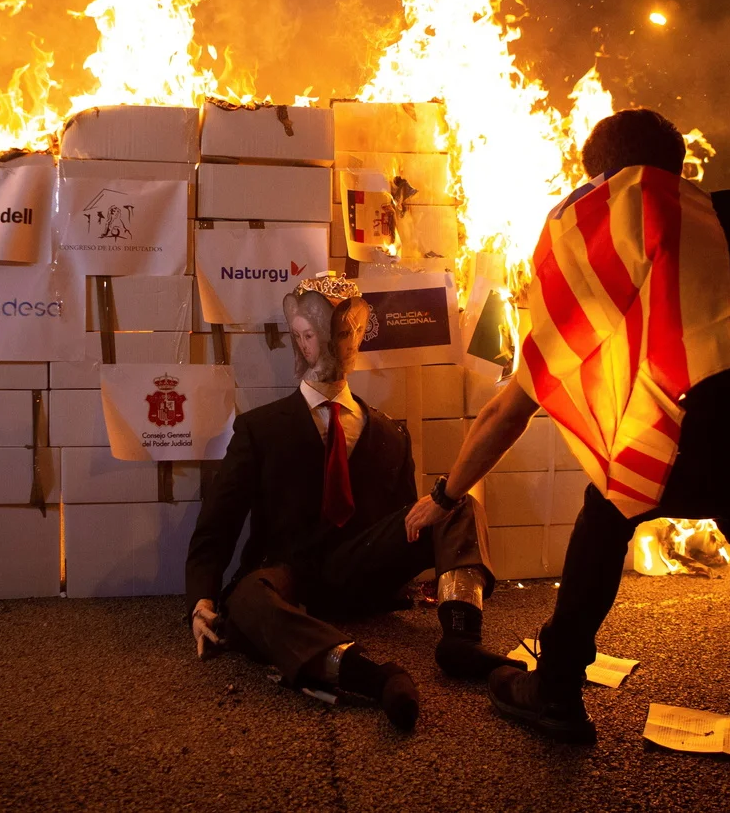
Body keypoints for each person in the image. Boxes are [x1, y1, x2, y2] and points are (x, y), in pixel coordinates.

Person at [405, 109, 730, 795]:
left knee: (616, 490)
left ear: (608, 184)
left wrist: (442, 496)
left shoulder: (636, 242)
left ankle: (557, 686)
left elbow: (513, 404)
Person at [185, 274, 521, 730]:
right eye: (307, 335)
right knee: (244, 599)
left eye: (340, 334)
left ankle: (462, 638)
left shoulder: (388, 432)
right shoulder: (260, 429)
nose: (322, 347)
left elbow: (407, 519)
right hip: (288, 574)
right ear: (297, 340)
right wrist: (202, 598)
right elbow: (218, 522)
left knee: (453, 501)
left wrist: (429, 549)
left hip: (361, 568)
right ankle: (368, 675)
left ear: (358, 337)